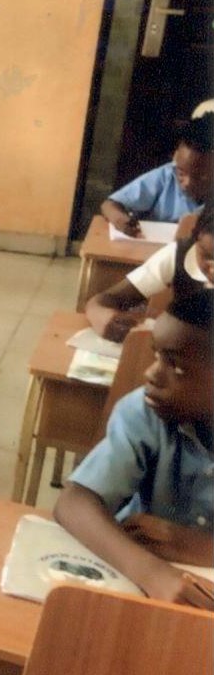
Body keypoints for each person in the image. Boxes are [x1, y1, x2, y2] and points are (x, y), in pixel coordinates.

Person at [54, 290, 214, 611]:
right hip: (140, 577)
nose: (151, 374)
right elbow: (74, 502)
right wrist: (153, 573)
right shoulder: (145, 412)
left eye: (176, 367)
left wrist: (198, 547)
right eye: (157, 356)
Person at [86, 206, 214, 342]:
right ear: (195, 238)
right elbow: (104, 300)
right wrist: (101, 315)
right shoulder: (181, 255)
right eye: (206, 255)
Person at [101, 112, 211, 233]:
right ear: (175, 155)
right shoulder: (166, 177)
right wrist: (120, 220)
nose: (187, 183)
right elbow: (109, 205)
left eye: (201, 177)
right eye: (181, 173)